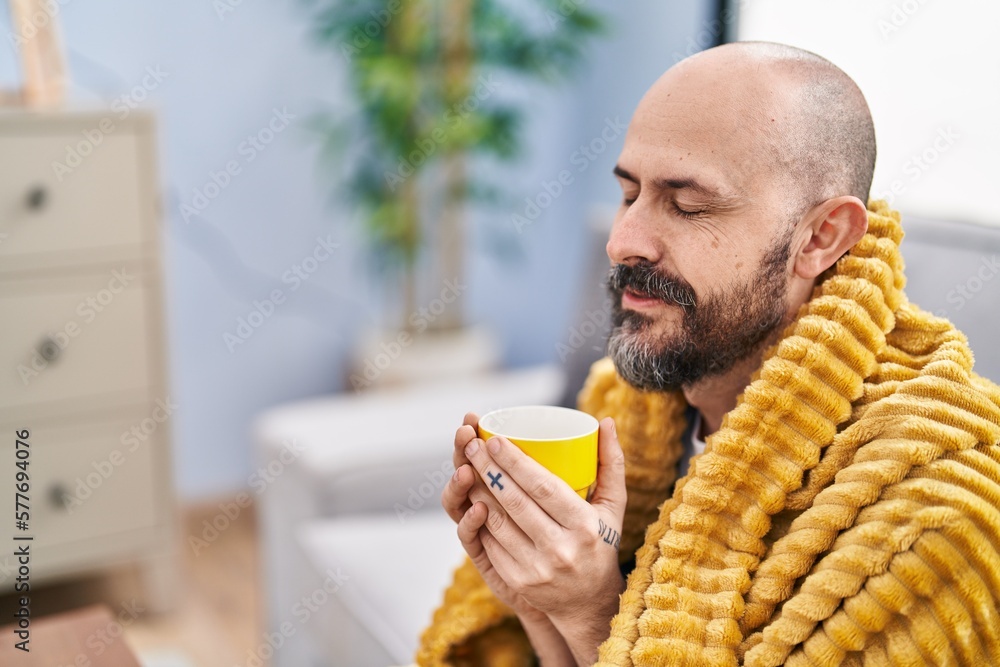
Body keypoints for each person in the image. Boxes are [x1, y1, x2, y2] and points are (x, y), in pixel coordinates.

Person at [416, 41, 1000, 666]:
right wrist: (540, 600)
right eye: (628, 193)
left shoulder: (930, 524)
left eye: (687, 204)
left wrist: (591, 612)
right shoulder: (623, 405)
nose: (622, 242)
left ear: (820, 237)